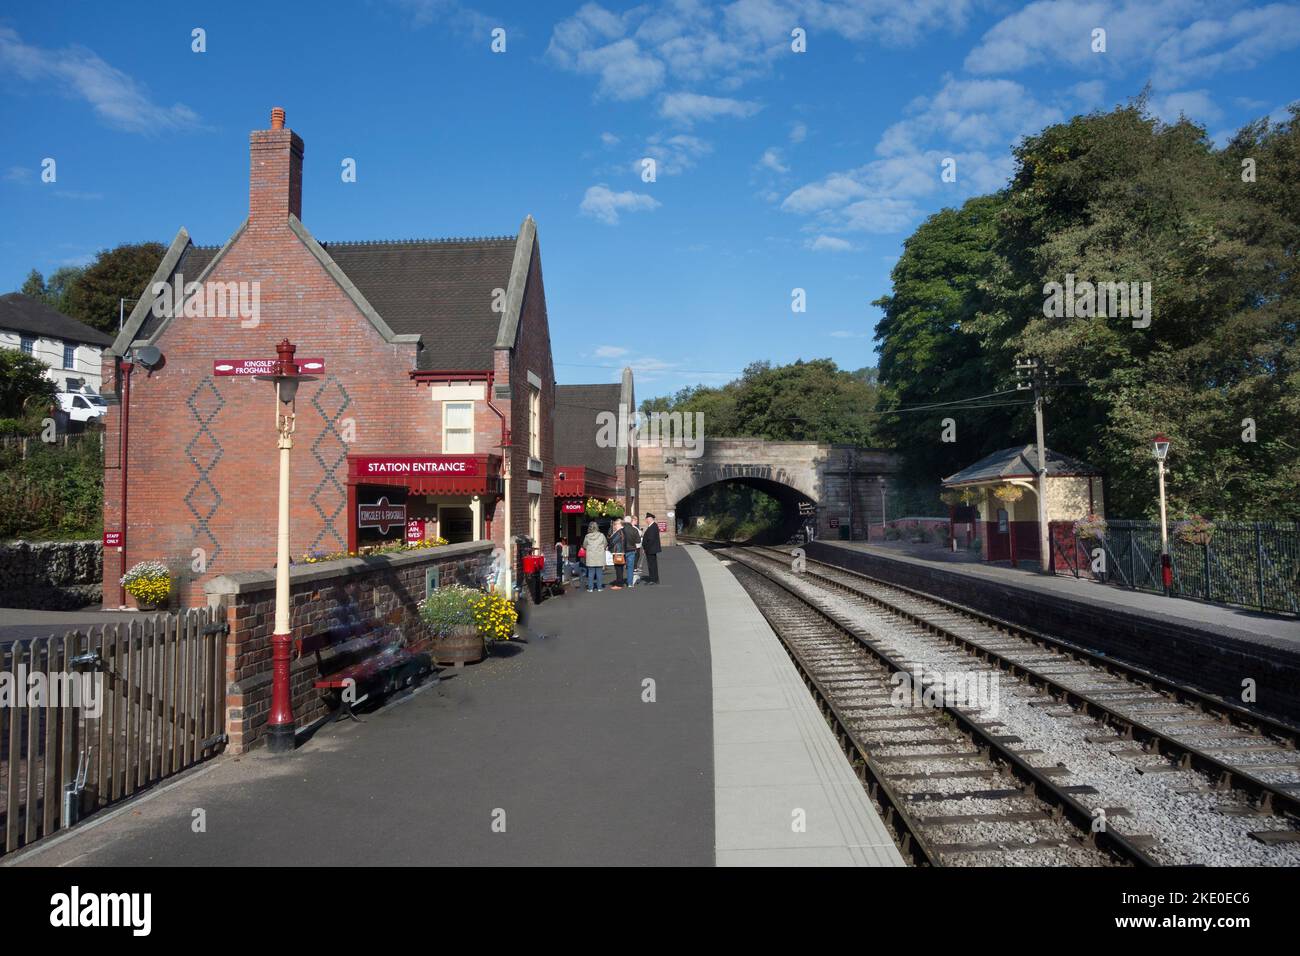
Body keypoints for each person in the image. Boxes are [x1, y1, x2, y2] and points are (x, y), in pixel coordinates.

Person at [581, 521, 607, 592]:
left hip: (590, 557)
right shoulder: (601, 535)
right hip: (599, 556)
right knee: (599, 573)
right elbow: (605, 544)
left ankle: (590, 588)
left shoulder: (587, 536)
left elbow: (584, 546)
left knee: (590, 573)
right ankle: (599, 587)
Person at [641, 513, 661, 585]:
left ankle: (653, 579)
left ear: (650, 519)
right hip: (651, 548)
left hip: (651, 549)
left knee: (651, 565)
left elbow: (650, 539)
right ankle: (654, 578)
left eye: (646, 519)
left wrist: (645, 547)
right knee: (652, 564)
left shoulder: (653, 526)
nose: (646, 520)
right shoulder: (652, 526)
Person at [624, 515, 642, 588]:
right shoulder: (634, 530)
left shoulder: (622, 530)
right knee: (630, 567)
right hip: (631, 549)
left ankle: (621, 581)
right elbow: (638, 540)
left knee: (622, 566)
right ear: (630, 521)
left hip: (623, 550)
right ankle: (630, 583)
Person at [609, 518, 627, 589]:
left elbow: (613, 541)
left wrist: (609, 544)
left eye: (616, 524)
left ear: (620, 524)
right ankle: (620, 582)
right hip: (619, 552)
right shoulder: (621, 531)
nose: (615, 526)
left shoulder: (619, 532)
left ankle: (619, 584)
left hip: (618, 552)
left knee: (618, 569)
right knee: (619, 568)